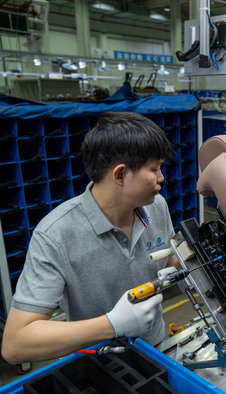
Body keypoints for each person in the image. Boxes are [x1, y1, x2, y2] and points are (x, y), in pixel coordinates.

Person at [2, 112, 179, 364]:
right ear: (119, 175)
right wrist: (113, 325)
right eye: (154, 168)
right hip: (97, 362)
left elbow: (167, 262)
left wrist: (185, 258)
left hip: (156, 349)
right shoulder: (55, 234)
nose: (161, 178)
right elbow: (15, 344)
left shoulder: (156, 206)